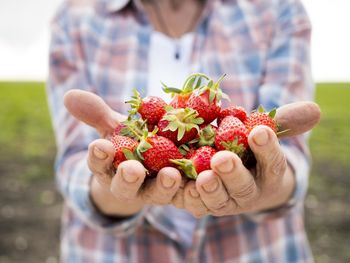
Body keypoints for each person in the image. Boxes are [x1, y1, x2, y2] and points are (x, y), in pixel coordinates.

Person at [47, 0, 321, 262]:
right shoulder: (75, 18)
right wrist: (114, 185)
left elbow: (288, 154)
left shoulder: (276, 8)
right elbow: (75, 166)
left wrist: (269, 181)